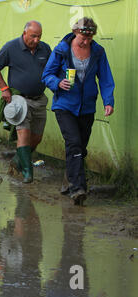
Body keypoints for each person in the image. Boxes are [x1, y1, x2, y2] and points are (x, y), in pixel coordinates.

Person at [42, 17, 115, 205]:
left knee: (80, 148)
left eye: (89, 38)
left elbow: (106, 78)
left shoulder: (98, 52)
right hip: (65, 105)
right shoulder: (61, 50)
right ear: (75, 31)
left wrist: (108, 101)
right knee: (74, 143)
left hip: (87, 106)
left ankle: (69, 180)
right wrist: (57, 82)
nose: (85, 41)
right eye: (83, 36)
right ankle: (78, 188)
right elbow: (46, 75)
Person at [0, 20, 51, 183]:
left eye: (39, 36)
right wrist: (4, 88)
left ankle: (18, 161)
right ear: (24, 33)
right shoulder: (11, 47)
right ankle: (27, 173)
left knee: (36, 138)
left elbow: (52, 69)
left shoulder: (45, 49)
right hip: (20, 101)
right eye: (33, 36)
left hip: (39, 100)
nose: (36, 40)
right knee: (23, 133)